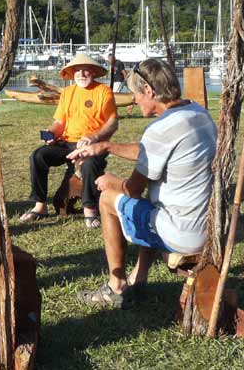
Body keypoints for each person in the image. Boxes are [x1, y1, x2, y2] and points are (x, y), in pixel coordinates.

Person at [69, 58, 217, 307]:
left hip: (184, 233)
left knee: (108, 200)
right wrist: (106, 146)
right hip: (209, 225)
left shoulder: (161, 128)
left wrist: (109, 181)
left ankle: (116, 287)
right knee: (150, 207)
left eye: (136, 94)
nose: (135, 100)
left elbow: (133, 189)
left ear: (149, 91)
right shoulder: (197, 113)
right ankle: (138, 279)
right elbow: (152, 150)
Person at [19, 53, 119, 229]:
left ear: (93, 72)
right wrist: (51, 134)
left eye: (85, 70)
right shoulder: (67, 92)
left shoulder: (104, 91)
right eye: (77, 71)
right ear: (72, 74)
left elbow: (112, 124)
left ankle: (89, 209)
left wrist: (92, 137)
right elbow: (59, 122)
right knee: (38, 156)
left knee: (88, 165)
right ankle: (40, 205)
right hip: (66, 143)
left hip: (93, 144)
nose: (81, 74)